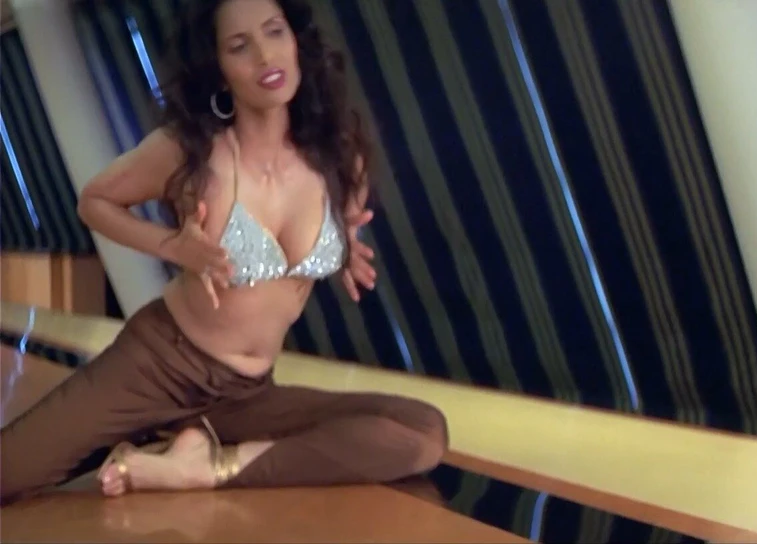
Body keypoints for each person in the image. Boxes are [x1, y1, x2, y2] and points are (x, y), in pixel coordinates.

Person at [0, 0, 447, 505]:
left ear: (296, 40)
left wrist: (342, 248)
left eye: (274, 32)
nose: (265, 56)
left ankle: (207, 465)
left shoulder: (341, 157)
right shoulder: (189, 150)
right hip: (156, 367)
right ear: (218, 67)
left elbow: (341, 226)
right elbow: (94, 201)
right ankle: (175, 441)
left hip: (245, 394)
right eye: (239, 46)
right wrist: (172, 246)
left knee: (421, 431)